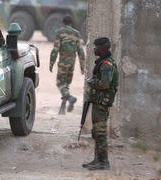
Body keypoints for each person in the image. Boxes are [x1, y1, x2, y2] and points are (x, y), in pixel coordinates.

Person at [83, 37, 118, 170]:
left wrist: (91, 82)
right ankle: (97, 159)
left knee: (100, 132)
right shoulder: (103, 62)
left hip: (102, 103)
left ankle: (103, 162)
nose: (94, 49)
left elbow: (105, 84)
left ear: (103, 48)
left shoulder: (106, 65)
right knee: (97, 131)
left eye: (96, 46)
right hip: (99, 101)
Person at [49, 15, 85, 114]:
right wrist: (82, 67)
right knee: (67, 85)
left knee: (60, 83)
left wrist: (51, 63)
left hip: (63, 62)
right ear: (71, 23)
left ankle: (69, 97)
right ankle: (62, 108)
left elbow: (55, 49)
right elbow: (81, 51)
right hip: (72, 63)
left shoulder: (59, 32)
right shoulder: (77, 33)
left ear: (63, 22)